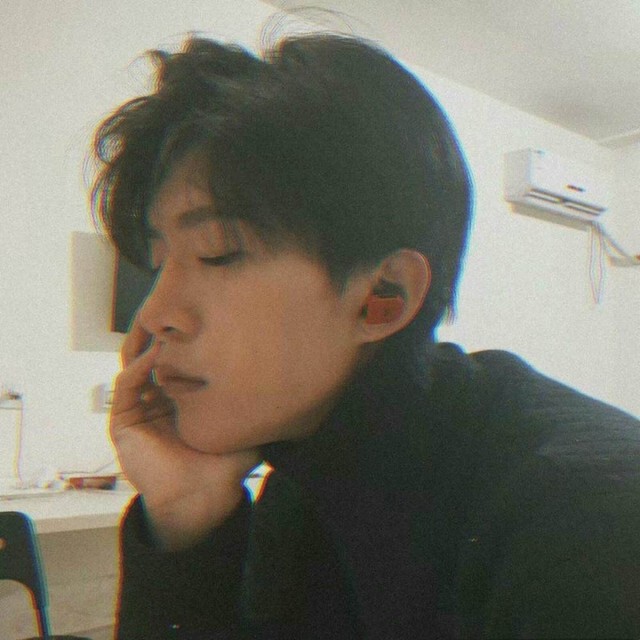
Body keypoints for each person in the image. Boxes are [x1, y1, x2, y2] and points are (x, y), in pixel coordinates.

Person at [91, 32, 640, 639]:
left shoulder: (588, 520)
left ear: (384, 297)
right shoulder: (301, 479)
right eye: (157, 262)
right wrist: (186, 513)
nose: (155, 314)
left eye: (218, 252)